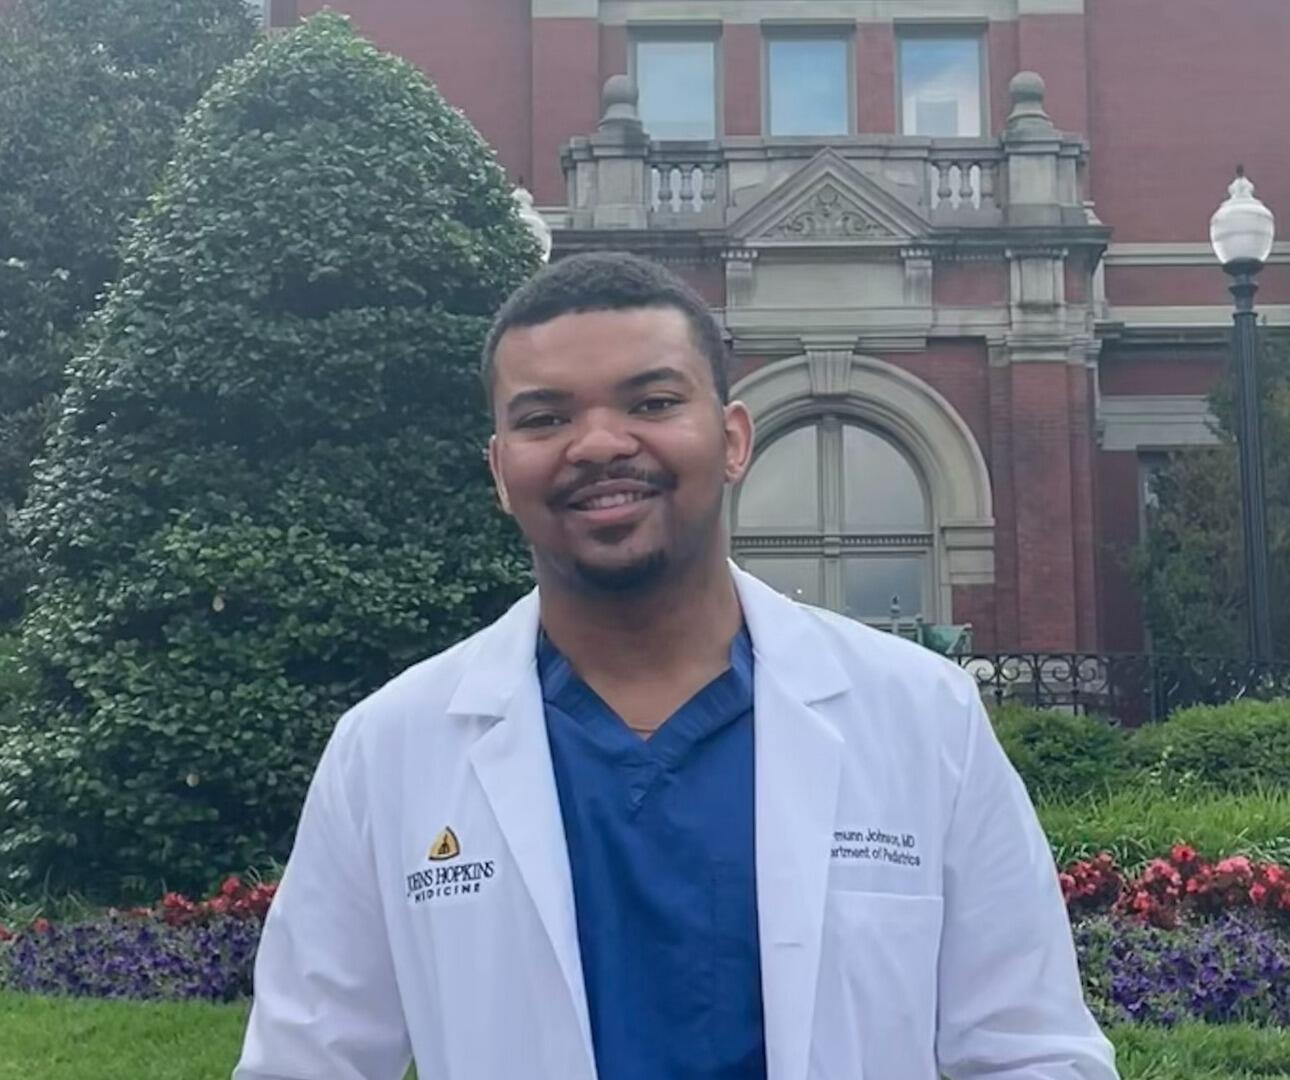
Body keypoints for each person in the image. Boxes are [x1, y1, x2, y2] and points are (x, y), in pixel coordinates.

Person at [234, 252, 1118, 1080]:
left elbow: (1030, 1049)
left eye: (652, 403)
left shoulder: (920, 716)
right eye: (545, 417)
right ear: (502, 471)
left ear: (733, 438)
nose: (598, 444)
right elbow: (307, 1061)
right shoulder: (390, 748)